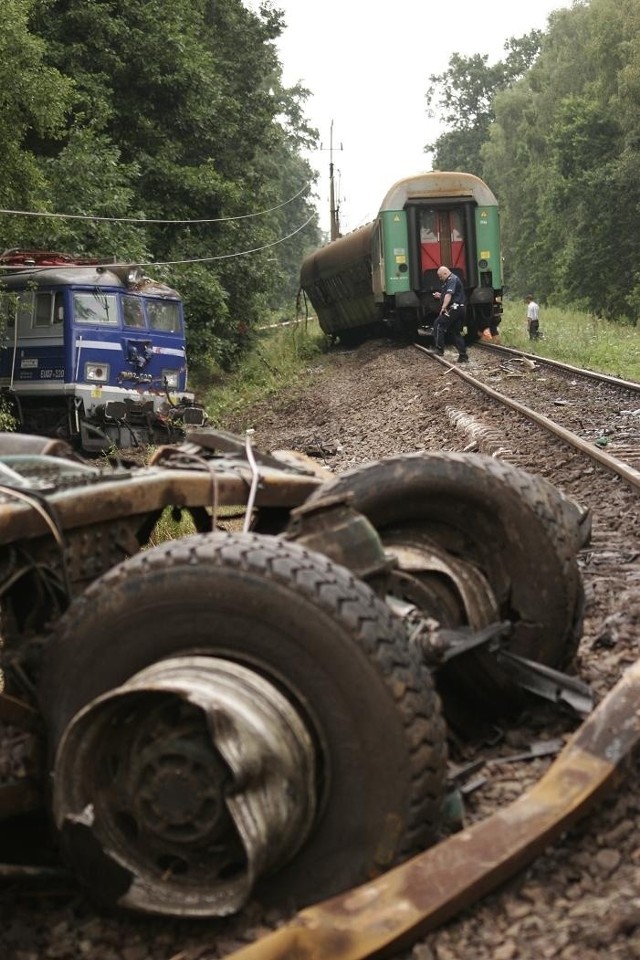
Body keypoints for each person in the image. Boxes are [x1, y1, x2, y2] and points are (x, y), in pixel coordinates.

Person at [431, 265, 469, 363]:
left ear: (445, 273)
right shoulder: (450, 280)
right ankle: (463, 356)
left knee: (439, 324)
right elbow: (447, 294)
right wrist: (440, 295)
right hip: (460, 308)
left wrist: (443, 307)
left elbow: (449, 295)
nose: (440, 278)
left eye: (440, 276)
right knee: (455, 332)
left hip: (455, 308)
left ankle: (439, 349)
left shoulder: (452, 279)